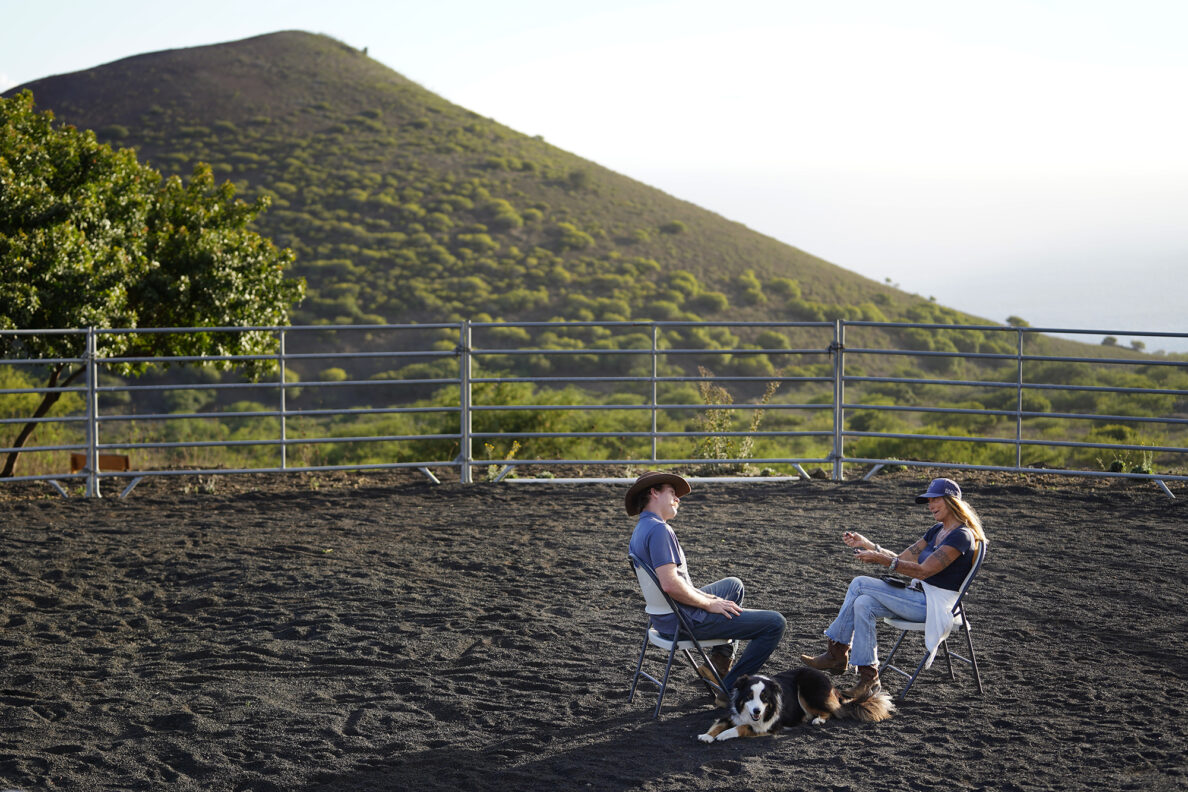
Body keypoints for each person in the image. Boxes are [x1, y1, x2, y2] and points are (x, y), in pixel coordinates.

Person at [800, 477, 987, 699]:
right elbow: (900, 558)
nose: (930, 505)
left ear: (951, 501)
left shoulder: (962, 536)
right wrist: (868, 545)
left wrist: (880, 560)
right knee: (863, 603)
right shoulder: (937, 530)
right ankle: (869, 679)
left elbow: (923, 571)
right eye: (929, 501)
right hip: (918, 596)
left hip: (934, 606)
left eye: (935, 499)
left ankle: (837, 652)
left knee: (859, 583)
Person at [627, 470, 787, 706]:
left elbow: (671, 585)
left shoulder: (642, 528)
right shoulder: (660, 530)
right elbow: (670, 584)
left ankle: (718, 667)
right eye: (672, 492)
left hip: (662, 616)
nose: (677, 499)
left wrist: (707, 596)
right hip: (681, 621)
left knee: (733, 586)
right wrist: (709, 603)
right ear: (653, 492)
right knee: (775, 624)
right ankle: (730, 688)